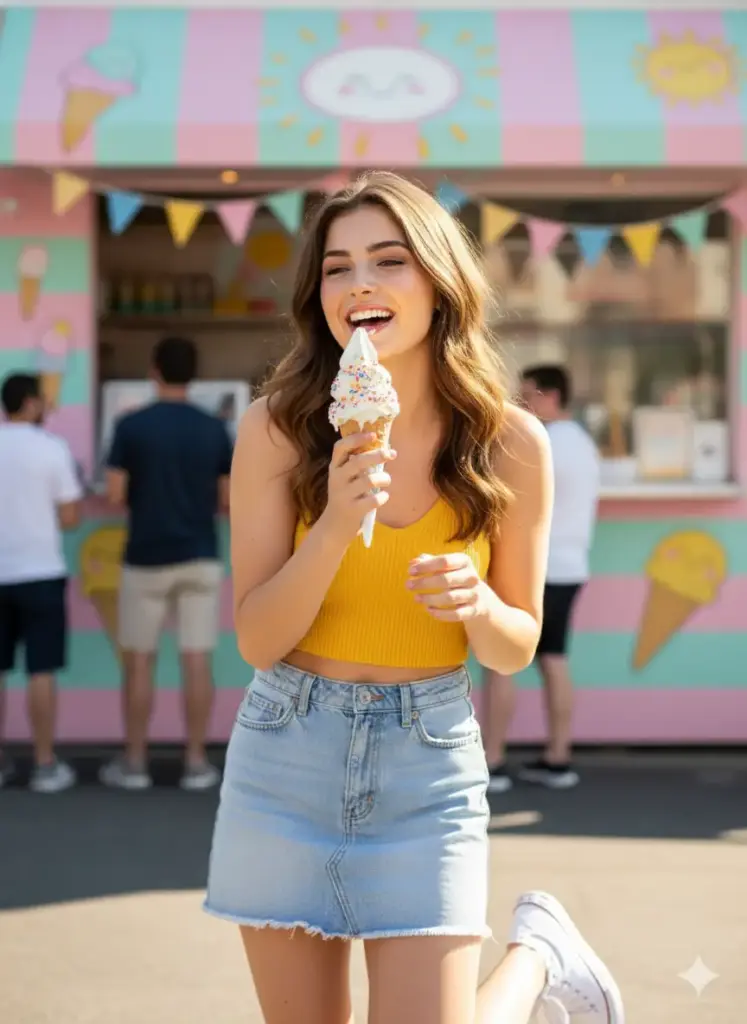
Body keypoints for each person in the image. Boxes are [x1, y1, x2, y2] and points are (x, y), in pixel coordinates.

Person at [204, 174, 623, 1023]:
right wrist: (332, 527)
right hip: (285, 749)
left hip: (426, 758)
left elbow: (514, 646)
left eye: (389, 260)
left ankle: (536, 962)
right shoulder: (277, 430)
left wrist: (474, 603)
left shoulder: (509, 443)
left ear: (439, 283)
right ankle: (542, 959)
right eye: (337, 266)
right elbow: (255, 638)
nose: (359, 282)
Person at [100, 337, 233, 792]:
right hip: (200, 554)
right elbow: (228, 499)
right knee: (196, 659)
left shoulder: (131, 426)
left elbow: (115, 493)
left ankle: (134, 763)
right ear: (194, 374)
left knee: (139, 660)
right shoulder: (215, 430)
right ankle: (196, 762)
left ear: (154, 370)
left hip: (146, 556)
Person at [484, 365, 600, 792]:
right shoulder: (583, 443)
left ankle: (492, 761)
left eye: (526, 394)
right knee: (554, 659)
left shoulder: (540, 442)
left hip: (532, 568)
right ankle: (558, 758)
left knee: (500, 664)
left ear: (550, 395)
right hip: (571, 568)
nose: (520, 403)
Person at [0, 373, 82, 793]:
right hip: (41, 573)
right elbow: (70, 518)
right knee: (41, 670)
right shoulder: (52, 449)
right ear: (30, 403)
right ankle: (44, 763)